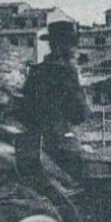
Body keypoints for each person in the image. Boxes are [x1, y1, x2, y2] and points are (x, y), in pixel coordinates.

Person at [18, 20, 89, 179]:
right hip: (63, 146)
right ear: (67, 46)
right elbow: (80, 114)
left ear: (51, 45)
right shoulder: (66, 72)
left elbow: (23, 111)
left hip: (35, 148)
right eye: (73, 44)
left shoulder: (36, 72)